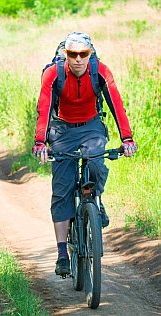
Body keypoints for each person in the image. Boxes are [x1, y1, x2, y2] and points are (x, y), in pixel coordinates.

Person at [32, 32, 137, 276]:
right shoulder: (53, 74)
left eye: (83, 54)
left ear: (90, 54)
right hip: (61, 129)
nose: (78, 59)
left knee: (97, 165)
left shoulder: (100, 71)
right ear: (65, 55)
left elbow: (116, 104)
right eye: (72, 54)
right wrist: (40, 142)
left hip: (91, 126)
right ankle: (61, 254)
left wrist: (127, 138)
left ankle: (95, 201)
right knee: (62, 190)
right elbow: (44, 108)